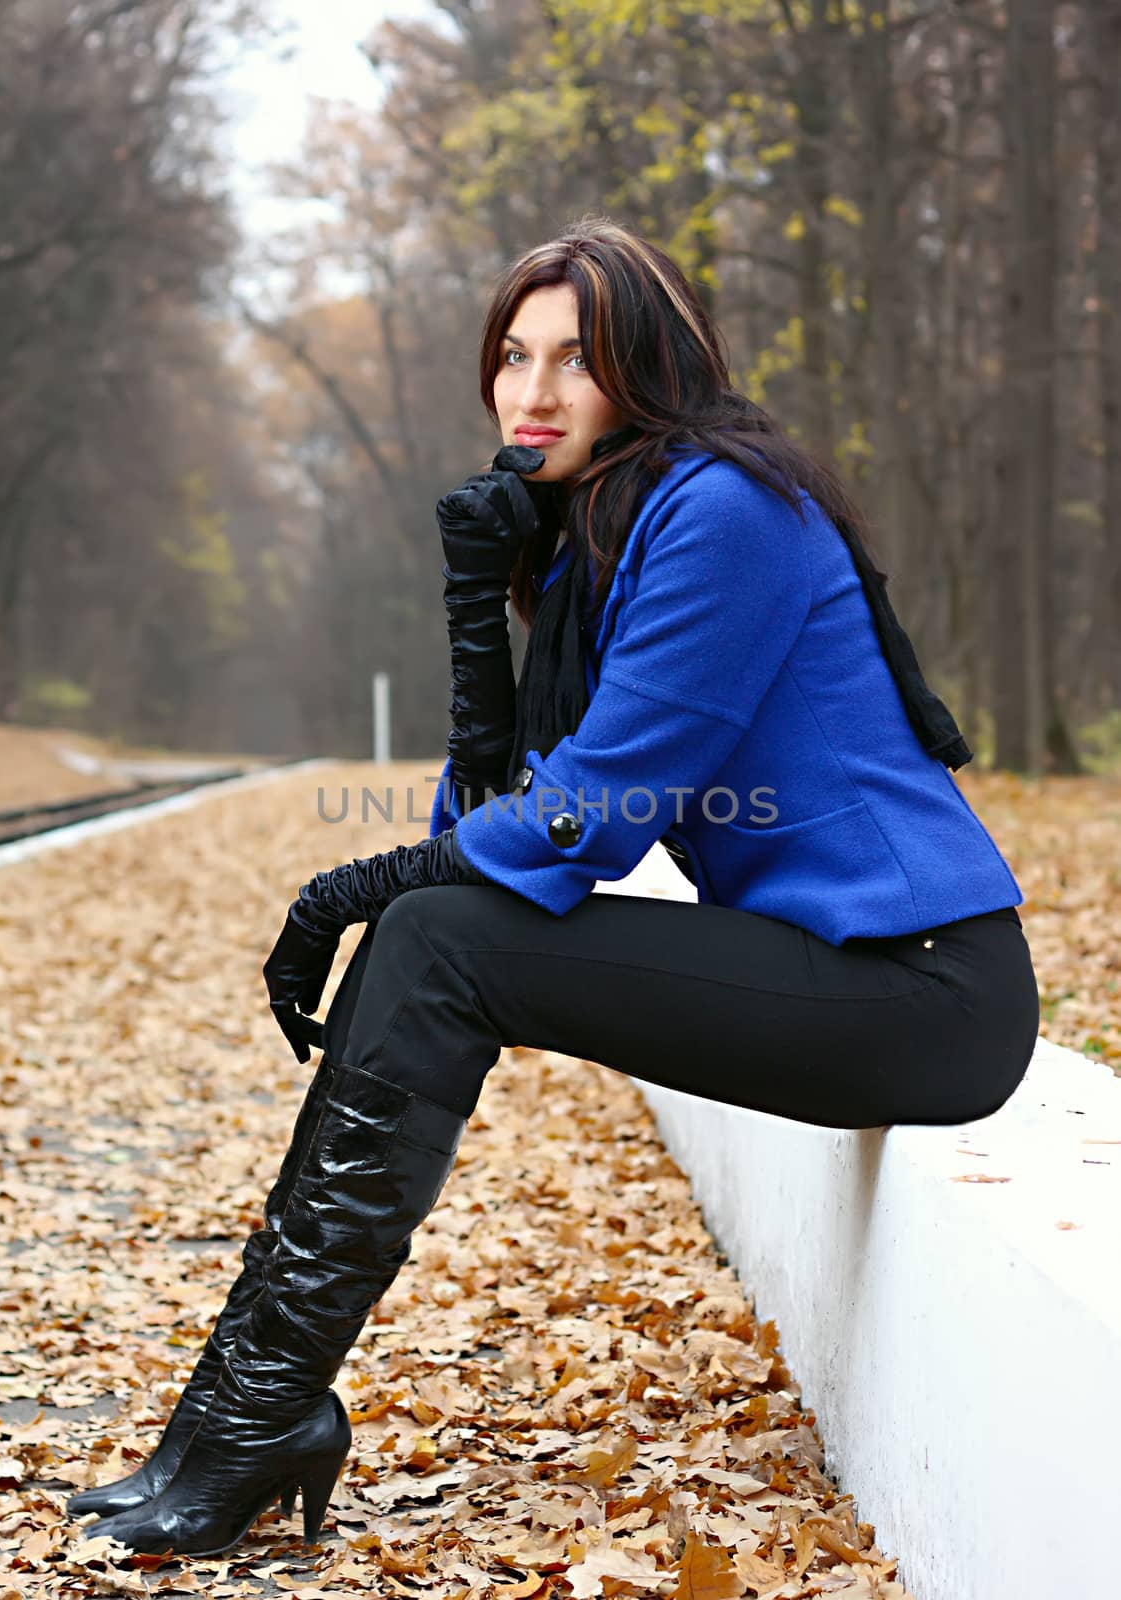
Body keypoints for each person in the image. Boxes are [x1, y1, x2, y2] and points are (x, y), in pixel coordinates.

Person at [70, 218, 1039, 1556]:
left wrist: (341, 890)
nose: (532, 394)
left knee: (431, 940)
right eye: (512, 358)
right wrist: (480, 607)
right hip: (840, 973)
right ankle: (235, 1410)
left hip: (924, 988)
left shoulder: (727, 509)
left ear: (647, 367)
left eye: (574, 361)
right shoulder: (606, 532)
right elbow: (496, 821)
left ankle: (253, 1419)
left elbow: (586, 826)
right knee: (431, 932)